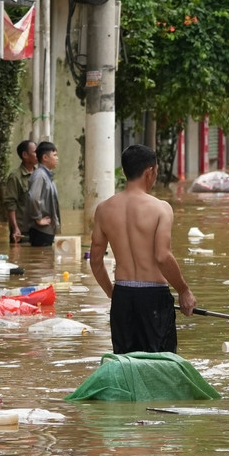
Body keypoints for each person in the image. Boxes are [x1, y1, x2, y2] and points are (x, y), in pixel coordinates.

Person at [89, 144, 197, 355]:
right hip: (153, 297)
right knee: (161, 366)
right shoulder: (160, 208)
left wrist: (114, 294)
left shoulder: (103, 210)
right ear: (150, 172)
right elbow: (162, 256)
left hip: (122, 295)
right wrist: (183, 290)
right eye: (156, 172)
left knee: (126, 366)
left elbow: (95, 261)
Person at [25, 141, 60, 247]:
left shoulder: (47, 175)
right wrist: (38, 219)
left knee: (46, 260)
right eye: (54, 155)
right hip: (41, 230)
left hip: (47, 230)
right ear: (45, 157)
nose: (57, 158)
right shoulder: (40, 175)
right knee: (42, 261)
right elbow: (33, 198)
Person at [3, 140, 36, 244]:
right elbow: (10, 205)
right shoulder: (15, 177)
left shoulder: (39, 175)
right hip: (22, 232)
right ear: (25, 155)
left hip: (38, 230)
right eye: (35, 152)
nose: (37, 154)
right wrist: (15, 228)